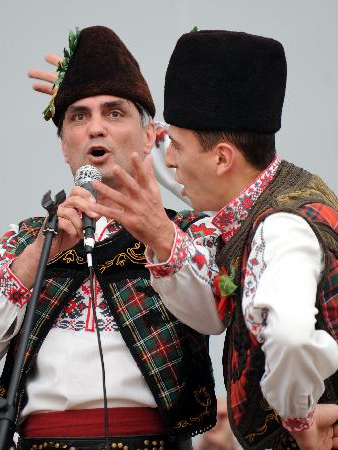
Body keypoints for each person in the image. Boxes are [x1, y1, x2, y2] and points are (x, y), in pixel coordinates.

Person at [0, 26, 216, 450]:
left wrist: (159, 233)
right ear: (65, 146)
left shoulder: (187, 232)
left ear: (149, 137)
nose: (95, 129)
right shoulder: (25, 240)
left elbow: (214, 312)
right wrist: (38, 257)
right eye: (79, 117)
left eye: (115, 112)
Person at [88, 30, 338, 450]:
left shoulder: (281, 226)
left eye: (177, 147)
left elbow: (292, 336)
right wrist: (159, 235)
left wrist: (299, 420)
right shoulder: (280, 202)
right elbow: (213, 316)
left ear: (222, 157)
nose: (168, 162)